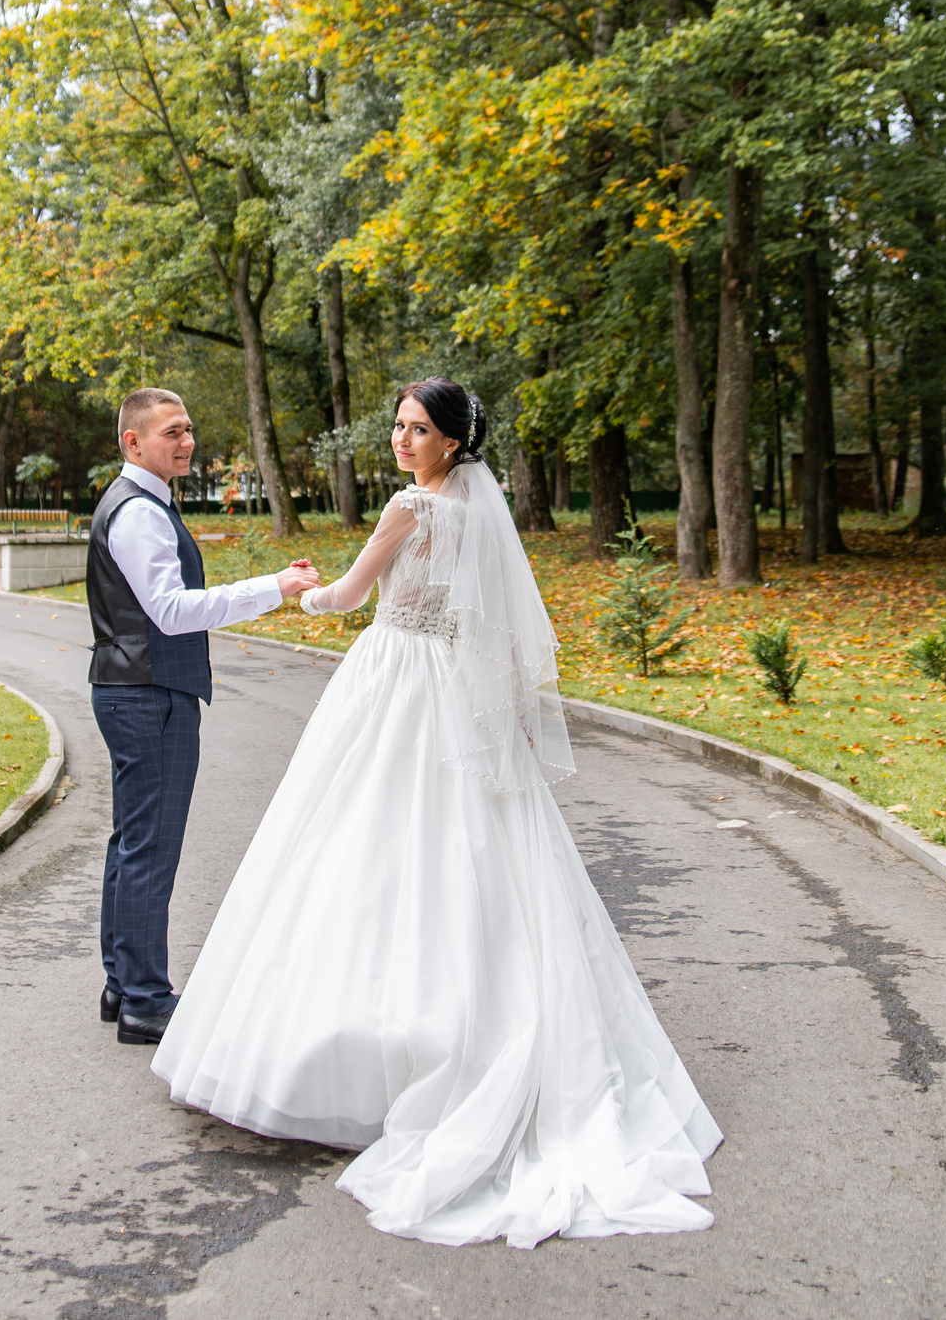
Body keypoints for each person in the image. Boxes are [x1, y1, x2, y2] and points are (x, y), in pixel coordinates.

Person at [152, 377, 722, 1248]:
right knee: (458, 858)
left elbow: (347, 598)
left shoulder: (409, 509)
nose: (402, 440)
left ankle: (359, 1056)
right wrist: (510, 726)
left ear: (454, 441)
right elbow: (492, 631)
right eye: (399, 426)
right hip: (452, 694)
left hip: (393, 685)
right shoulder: (482, 512)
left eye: (419, 429)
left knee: (360, 851)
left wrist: (300, 591)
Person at [88, 388, 320, 1046]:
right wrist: (272, 587)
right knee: (149, 847)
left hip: (135, 687)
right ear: (134, 441)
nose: (186, 441)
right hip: (147, 693)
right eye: (172, 432)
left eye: (189, 428)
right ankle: (142, 999)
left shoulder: (144, 502)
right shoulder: (138, 512)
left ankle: (122, 982)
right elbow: (171, 610)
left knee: (133, 841)